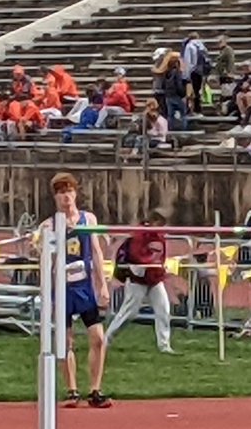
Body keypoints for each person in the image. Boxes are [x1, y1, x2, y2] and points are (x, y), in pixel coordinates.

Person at [41, 172, 112, 408]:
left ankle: (95, 390)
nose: (66, 197)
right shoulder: (49, 225)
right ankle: (72, 391)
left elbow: (96, 252)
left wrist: (102, 285)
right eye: (61, 192)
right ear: (55, 197)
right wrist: (48, 293)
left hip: (84, 287)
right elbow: (46, 261)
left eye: (69, 191)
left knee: (98, 338)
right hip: (62, 289)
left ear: (76, 193)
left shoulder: (87, 219)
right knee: (65, 342)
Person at [107, 210, 174, 353]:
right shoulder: (139, 234)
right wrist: (148, 263)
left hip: (155, 279)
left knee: (163, 310)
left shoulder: (160, 236)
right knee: (128, 313)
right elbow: (136, 255)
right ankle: (107, 339)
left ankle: (164, 345)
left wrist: (160, 268)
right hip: (138, 280)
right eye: (160, 224)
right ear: (153, 222)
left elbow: (161, 255)